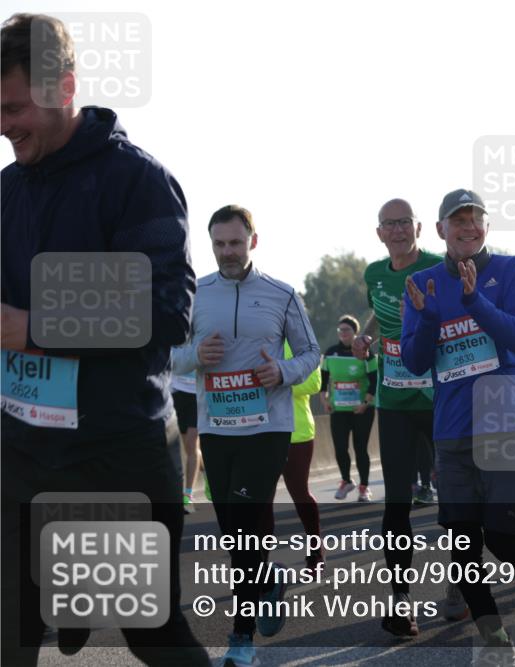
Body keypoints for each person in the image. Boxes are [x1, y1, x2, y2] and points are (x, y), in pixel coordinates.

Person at [0, 14, 210, 666]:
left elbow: (167, 311)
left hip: (112, 457)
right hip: (20, 459)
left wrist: (36, 328)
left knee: (152, 636)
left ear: (64, 87)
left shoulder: (135, 180)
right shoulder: (5, 191)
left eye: (13, 107)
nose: (3, 124)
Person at [402, 189, 515, 666]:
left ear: (487, 227)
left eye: (475, 221)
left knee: (501, 530)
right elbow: (414, 363)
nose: (467, 228)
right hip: (452, 425)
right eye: (458, 222)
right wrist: (431, 319)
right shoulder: (424, 284)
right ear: (440, 231)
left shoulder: (512, 270)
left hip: (505, 416)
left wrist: (475, 302)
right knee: (464, 544)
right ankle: (495, 644)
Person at [172, 205, 321, 665]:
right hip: (217, 429)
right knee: (235, 532)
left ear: (253, 241)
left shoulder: (281, 293)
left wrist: (281, 369)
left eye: (235, 243)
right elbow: (167, 355)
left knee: (244, 522)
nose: (227, 252)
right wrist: (195, 354)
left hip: (268, 428)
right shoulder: (194, 293)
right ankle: (267, 577)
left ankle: (241, 641)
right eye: (218, 244)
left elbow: (312, 353)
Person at [351, 198, 468, 637]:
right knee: (396, 503)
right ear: (379, 233)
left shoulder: (443, 266)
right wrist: (366, 336)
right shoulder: (374, 274)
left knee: (456, 505)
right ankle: (401, 600)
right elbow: (381, 320)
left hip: (443, 401)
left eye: (404, 223)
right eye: (389, 224)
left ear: (420, 228)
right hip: (395, 400)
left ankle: (460, 589)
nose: (397, 230)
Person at [263, 341, 323, 569]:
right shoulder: (258, 337)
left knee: (300, 493)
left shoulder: (302, 341)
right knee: (263, 500)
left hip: (296, 432)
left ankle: (315, 551)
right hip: (262, 431)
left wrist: (277, 377)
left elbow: (314, 382)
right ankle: (260, 562)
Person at [321, 315, 377, 502]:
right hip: (339, 410)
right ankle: (346, 481)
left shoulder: (365, 353)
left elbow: (374, 380)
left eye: (347, 330)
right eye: (340, 330)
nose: (343, 333)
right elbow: (323, 379)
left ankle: (364, 487)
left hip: (362, 409)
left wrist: (365, 403)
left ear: (355, 332)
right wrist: (324, 398)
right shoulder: (330, 352)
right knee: (340, 448)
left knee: (360, 448)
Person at [170, 349, 202, 514]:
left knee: (191, 444)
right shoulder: (177, 325)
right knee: (182, 446)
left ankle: (188, 494)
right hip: (176, 390)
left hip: (197, 392)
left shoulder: (202, 324)